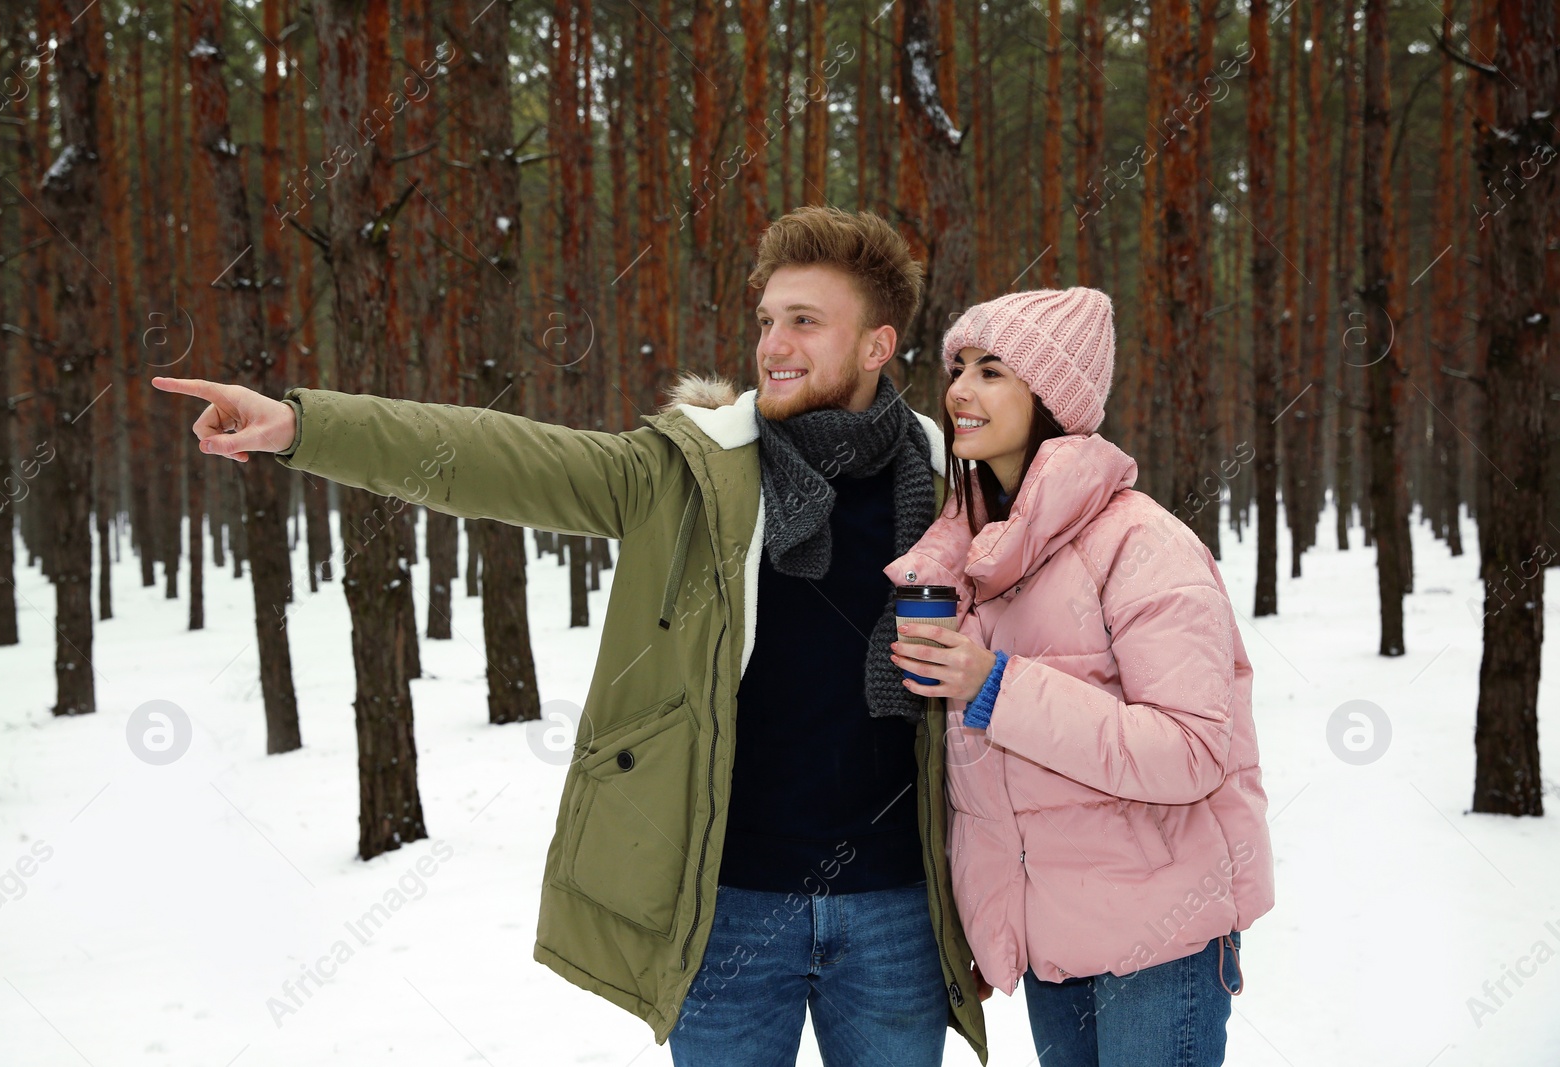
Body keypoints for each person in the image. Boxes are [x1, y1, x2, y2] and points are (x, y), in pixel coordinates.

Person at [152, 205, 987, 1066]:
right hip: (726, 908)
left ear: (878, 346)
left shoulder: (945, 487)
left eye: (804, 321)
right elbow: (493, 454)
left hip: (898, 910)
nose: (773, 343)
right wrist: (302, 425)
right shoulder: (687, 472)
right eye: (767, 319)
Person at [883, 287, 1273, 1067]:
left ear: (1052, 399)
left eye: (993, 371)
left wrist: (995, 685)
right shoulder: (972, 556)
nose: (959, 389)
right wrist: (988, 924)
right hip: (1057, 952)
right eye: (958, 366)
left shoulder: (1141, 544)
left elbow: (1191, 749)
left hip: (1159, 946)